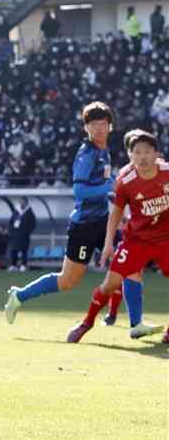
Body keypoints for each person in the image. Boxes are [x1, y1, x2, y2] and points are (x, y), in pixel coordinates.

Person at [5, 102, 114, 324]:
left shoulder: (105, 151)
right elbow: (79, 191)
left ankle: (129, 320)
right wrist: (109, 187)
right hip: (84, 225)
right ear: (86, 128)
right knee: (68, 281)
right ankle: (19, 295)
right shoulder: (87, 154)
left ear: (110, 126)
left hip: (103, 220)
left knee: (127, 263)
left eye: (103, 124)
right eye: (94, 124)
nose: (100, 128)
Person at [66, 129, 168, 343]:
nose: (142, 157)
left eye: (147, 152)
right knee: (109, 284)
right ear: (130, 155)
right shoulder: (125, 180)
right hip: (137, 240)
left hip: (166, 238)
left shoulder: (167, 172)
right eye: (137, 152)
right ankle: (87, 323)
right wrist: (107, 245)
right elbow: (116, 213)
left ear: (157, 154)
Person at [8, 197, 36, 272]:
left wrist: (26, 232)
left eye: (23, 201)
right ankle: (13, 265)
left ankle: (23, 265)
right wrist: (11, 232)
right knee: (14, 250)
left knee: (24, 251)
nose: (21, 203)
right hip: (15, 234)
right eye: (20, 201)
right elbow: (11, 222)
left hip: (24, 235)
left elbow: (32, 224)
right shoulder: (16, 211)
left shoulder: (29, 212)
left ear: (26, 202)